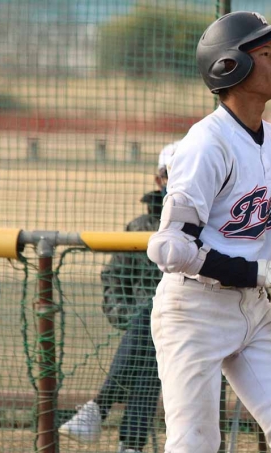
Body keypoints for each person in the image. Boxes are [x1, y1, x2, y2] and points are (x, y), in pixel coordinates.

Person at [146, 11, 271, 453]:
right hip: (194, 311)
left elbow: (243, 223)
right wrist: (260, 272)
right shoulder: (206, 144)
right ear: (230, 66)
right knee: (195, 445)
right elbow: (170, 248)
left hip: (253, 310)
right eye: (265, 52)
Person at [59, 144, 175, 453]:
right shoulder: (139, 227)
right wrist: (126, 315)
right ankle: (129, 444)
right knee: (150, 333)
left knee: (152, 321)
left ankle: (99, 407)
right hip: (147, 328)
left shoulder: (208, 223)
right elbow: (114, 277)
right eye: (169, 174)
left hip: (191, 321)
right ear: (159, 180)